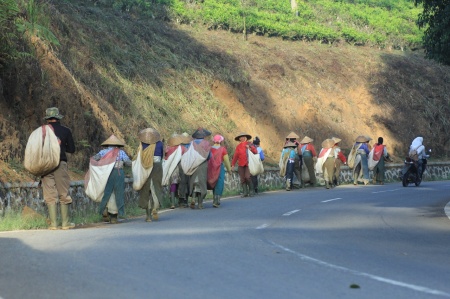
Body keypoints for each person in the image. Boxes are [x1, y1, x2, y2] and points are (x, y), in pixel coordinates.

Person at [40, 107, 76, 230]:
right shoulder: (66, 131)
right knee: (63, 192)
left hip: (45, 166)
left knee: (49, 193)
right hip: (60, 164)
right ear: (58, 117)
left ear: (47, 118)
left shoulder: (41, 131)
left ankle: (54, 224)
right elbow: (72, 149)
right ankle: (65, 223)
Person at [93, 135, 131, 224]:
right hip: (118, 173)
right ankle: (114, 216)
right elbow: (128, 163)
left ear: (107, 144)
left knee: (106, 192)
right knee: (117, 192)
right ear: (117, 145)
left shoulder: (103, 152)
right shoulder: (121, 152)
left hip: (106, 174)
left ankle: (105, 209)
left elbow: (94, 159)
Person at [136, 128, 163, 222]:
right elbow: (162, 156)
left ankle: (148, 216)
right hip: (157, 166)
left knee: (146, 190)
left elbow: (138, 156)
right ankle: (155, 207)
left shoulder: (142, 144)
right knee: (156, 187)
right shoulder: (160, 143)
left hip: (145, 167)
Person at [184, 128, 211, 209]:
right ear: (204, 136)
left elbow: (188, 154)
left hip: (193, 165)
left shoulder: (191, 143)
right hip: (202, 165)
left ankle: (193, 198)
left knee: (194, 182)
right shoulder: (206, 143)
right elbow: (209, 156)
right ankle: (200, 204)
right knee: (201, 183)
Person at [231, 132, 258, 197]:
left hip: (248, 163)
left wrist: (249, 148)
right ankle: (245, 192)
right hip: (241, 164)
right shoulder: (238, 147)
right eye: (240, 137)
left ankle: (251, 190)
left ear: (245, 138)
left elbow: (255, 151)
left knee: (247, 177)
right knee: (242, 178)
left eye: (243, 137)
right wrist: (233, 164)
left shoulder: (250, 144)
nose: (241, 138)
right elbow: (235, 156)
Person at [208, 134, 231, 207]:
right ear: (221, 141)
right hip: (219, 167)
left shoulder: (209, 149)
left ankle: (214, 199)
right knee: (219, 182)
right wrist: (229, 170)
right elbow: (227, 161)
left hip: (211, 168)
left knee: (213, 182)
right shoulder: (223, 149)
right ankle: (216, 200)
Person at [163, 133, 185, 209]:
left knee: (173, 184)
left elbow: (165, 158)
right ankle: (180, 202)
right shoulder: (181, 148)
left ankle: (172, 203)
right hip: (180, 168)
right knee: (181, 185)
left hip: (171, 168)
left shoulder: (167, 148)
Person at [178, 132, 192, 207]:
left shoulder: (180, 146)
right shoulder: (190, 146)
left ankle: (182, 201)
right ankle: (184, 200)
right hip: (188, 165)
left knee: (183, 182)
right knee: (187, 182)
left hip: (182, 165)